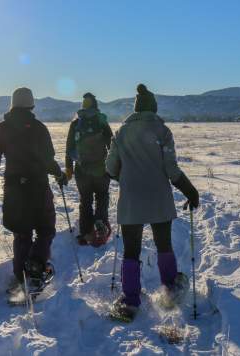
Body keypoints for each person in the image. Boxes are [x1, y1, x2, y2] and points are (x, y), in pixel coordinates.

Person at [105, 84, 199, 320]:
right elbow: (171, 169)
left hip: (131, 199)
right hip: (159, 197)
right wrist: (190, 191)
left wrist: (125, 178)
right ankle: (169, 290)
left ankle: (130, 300)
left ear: (135, 109)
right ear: (154, 108)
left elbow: (109, 168)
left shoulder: (121, 133)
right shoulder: (163, 132)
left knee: (131, 250)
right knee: (163, 244)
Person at [0, 87, 67, 290]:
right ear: (31, 105)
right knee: (45, 229)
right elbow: (48, 159)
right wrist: (59, 174)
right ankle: (36, 265)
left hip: (14, 189)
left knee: (21, 232)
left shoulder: (1, 128)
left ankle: (21, 277)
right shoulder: (39, 128)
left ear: (13, 104)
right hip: (38, 187)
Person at [65, 92, 113, 246]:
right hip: (101, 169)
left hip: (82, 170)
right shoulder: (101, 121)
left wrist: (68, 169)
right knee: (102, 197)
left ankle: (86, 233)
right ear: (96, 105)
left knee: (85, 201)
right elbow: (112, 145)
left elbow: (69, 148)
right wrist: (115, 166)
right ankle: (100, 222)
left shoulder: (76, 123)